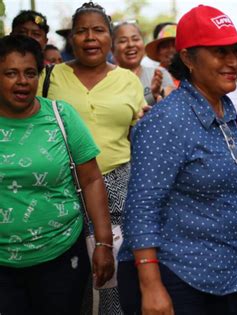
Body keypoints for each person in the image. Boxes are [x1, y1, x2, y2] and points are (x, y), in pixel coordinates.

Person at [117, 5, 237, 314]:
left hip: (227, 274)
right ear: (188, 58)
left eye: (235, 51)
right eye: (220, 52)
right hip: (175, 276)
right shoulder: (167, 120)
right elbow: (142, 206)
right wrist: (151, 287)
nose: (234, 61)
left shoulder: (226, 109)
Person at [37, 3, 147, 314]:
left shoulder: (128, 80)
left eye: (98, 30)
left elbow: (136, 135)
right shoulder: (49, 76)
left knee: (111, 279)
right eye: (81, 31)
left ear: (110, 38)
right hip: (61, 189)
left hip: (119, 190)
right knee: (67, 280)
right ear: (71, 38)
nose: (90, 38)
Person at [0, 35, 114, 314]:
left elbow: (91, 179)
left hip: (61, 256)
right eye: (10, 73)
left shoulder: (61, 116)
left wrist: (104, 242)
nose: (22, 81)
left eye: (30, 73)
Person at [112, 21, 174, 105]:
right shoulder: (106, 79)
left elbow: (172, 105)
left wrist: (154, 94)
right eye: (123, 41)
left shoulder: (160, 74)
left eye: (135, 39)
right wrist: (149, 95)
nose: (130, 44)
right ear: (112, 49)